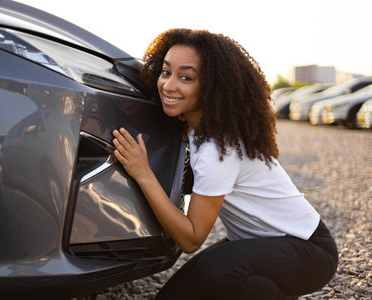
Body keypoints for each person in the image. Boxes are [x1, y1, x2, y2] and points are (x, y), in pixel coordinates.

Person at [112, 28, 338, 300]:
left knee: (217, 270)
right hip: (257, 243)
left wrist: (143, 174)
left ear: (211, 86)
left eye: (186, 77)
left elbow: (192, 238)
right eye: (165, 72)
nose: (169, 85)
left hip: (308, 250)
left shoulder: (217, 148)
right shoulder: (200, 128)